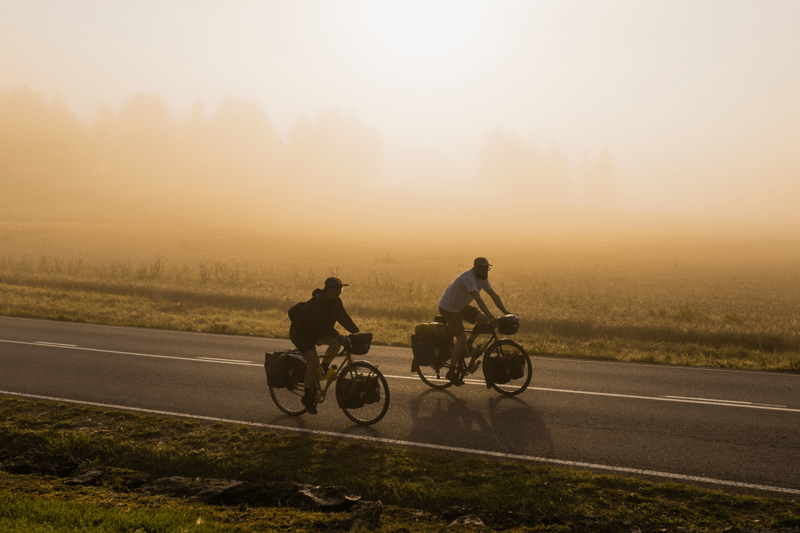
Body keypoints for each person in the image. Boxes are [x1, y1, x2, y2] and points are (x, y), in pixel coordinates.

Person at [289, 276, 360, 414]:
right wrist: (337, 334)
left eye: (341, 288)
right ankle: (307, 396)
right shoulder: (318, 302)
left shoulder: (336, 302)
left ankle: (324, 368)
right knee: (313, 362)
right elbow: (322, 324)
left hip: (316, 332)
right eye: (338, 288)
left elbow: (344, 318)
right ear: (329, 289)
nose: (340, 291)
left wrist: (357, 332)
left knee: (335, 344)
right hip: (301, 333)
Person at [438, 257, 511, 385]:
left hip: (461, 306)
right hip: (449, 308)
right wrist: (491, 316)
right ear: (476, 268)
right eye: (484, 268)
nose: (486, 271)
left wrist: (506, 313)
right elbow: (478, 299)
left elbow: (493, 295)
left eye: (487, 268)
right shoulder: (469, 278)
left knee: (482, 320)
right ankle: (451, 372)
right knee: (461, 339)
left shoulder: (482, 279)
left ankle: (469, 345)